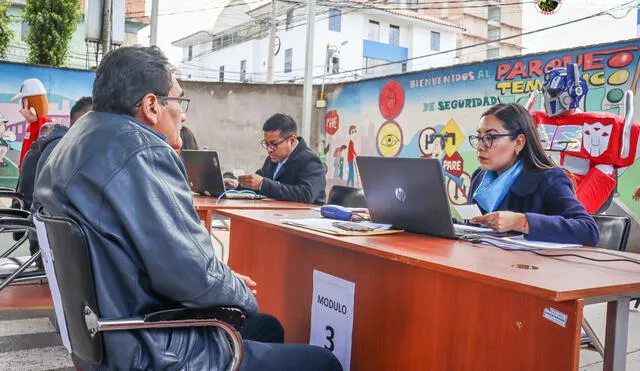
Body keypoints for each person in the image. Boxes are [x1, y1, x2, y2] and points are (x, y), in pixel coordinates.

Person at [34, 46, 341, 371]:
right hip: (150, 346)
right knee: (322, 361)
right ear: (152, 105)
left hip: (104, 336)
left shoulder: (72, 143)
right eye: (179, 102)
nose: (183, 114)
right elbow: (192, 276)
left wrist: (216, 278)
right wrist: (240, 292)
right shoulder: (143, 151)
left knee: (266, 328)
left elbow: (171, 262)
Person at [467, 103, 599, 246]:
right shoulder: (480, 177)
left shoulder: (549, 178)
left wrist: (521, 222)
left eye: (490, 137)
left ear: (518, 142)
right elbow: (471, 229)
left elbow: (588, 231)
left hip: (531, 266)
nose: (480, 146)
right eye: (479, 137)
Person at [528, 63, 639, 214]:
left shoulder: (597, 125)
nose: (549, 98)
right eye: (547, 93)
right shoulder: (543, 121)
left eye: (553, 93)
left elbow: (605, 167)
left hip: (586, 198)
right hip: (560, 190)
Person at [234, 113, 326, 204]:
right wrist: (236, 185)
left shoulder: (310, 161)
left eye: (274, 144)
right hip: (275, 214)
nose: (269, 150)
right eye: (266, 144)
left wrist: (263, 184)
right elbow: (258, 184)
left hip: (303, 216)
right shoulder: (272, 158)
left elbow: (306, 194)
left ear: (292, 141)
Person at [11, 78, 52, 167]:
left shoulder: (45, 125)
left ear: (32, 108)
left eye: (23, 105)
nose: (20, 110)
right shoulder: (31, 126)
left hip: (33, 173)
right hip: (26, 171)